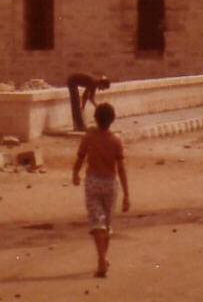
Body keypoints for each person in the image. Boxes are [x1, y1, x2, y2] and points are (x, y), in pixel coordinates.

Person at [73, 102, 130, 278]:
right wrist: (127, 195)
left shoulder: (89, 137)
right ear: (112, 120)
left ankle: (101, 258)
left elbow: (80, 158)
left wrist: (75, 173)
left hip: (93, 183)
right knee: (106, 224)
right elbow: (120, 168)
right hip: (110, 184)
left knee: (97, 222)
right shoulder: (116, 140)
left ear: (95, 118)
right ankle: (103, 258)